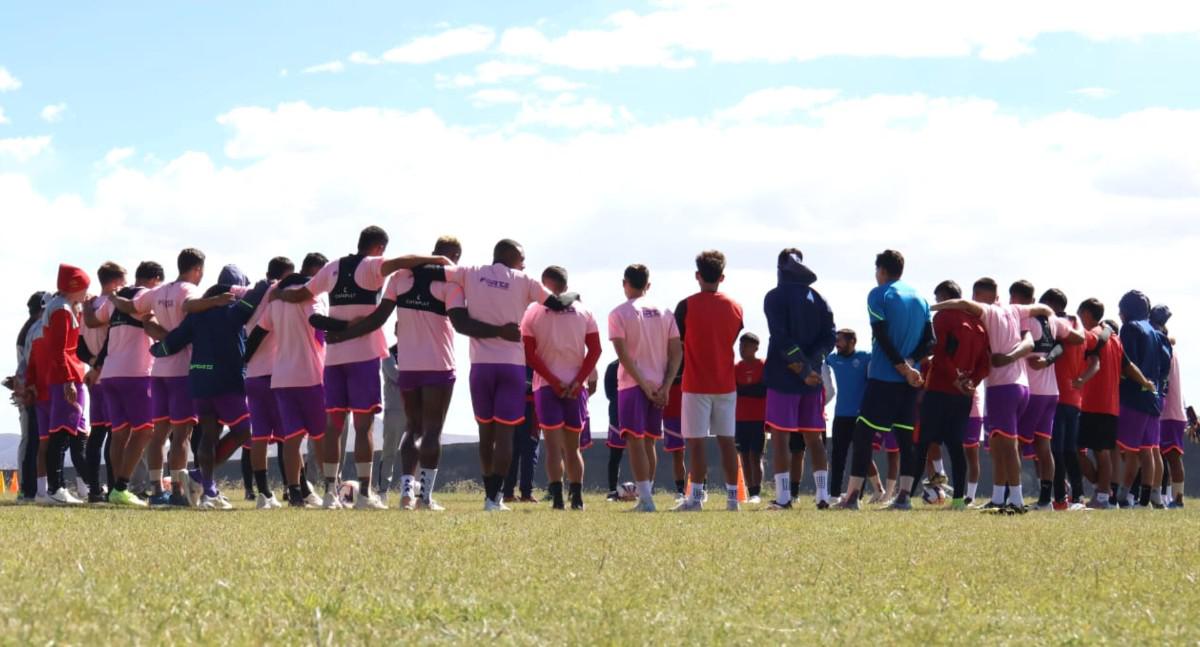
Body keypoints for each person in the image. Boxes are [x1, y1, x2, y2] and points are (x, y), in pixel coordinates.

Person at [279, 226, 451, 509]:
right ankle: (363, 495)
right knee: (364, 427)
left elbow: (302, 295)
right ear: (379, 247)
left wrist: (281, 295)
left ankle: (330, 494)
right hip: (364, 355)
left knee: (333, 426)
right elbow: (404, 262)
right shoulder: (373, 265)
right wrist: (439, 260)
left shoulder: (332, 267)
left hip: (333, 358)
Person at [326, 236, 464, 510]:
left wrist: (342, 335)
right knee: (432, 431)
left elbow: (379, 318)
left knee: (412, 429)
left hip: (409, 365)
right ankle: (424, 497)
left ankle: (405, 495)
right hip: (439, 364)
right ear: (454, 256)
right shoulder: (452, 281)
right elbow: (461, 323)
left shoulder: (401, 277)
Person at [442, 239, 577, 511]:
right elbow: (558, 303)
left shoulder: (469, 272)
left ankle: (489, 495)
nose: (525, 264)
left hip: (481, 366)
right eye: (522, 258)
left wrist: (493, 331)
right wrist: (573, 296)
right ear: (511, 256)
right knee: (505, 436)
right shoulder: (524, 280)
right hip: (512, 366)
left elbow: (459, 318)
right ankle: (495, 500)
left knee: (485, 433)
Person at [111, 248, 235, 505]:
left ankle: (157, 491)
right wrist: (215, 301)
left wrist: (112, 297)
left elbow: (131, 306)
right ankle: (178, 491)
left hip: (158, 371)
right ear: (197, 269)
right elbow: (191, 306)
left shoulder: (158, 291)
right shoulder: (190, 291)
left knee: (159, 434)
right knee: (182, 435)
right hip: (182, 370)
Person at [932, 278, 1054, 513]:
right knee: (997, 445)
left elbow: (959, 303)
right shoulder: (1016, 310)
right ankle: (999, 498)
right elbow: (1042, 310)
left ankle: (1016, 500)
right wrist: (1050, 315)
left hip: (1003, 387)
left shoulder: (987, 311)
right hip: (1020, 387)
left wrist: (933, 307)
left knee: (1007, 446)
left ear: (978, 295)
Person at [150, 268, 269, 509]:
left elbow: (174, 341)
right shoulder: (233, 310)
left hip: (199, 380)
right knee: (245, 432)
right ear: (236, 289)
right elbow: (256, 297)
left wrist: (155, 351)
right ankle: (201, 479)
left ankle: (207, 488)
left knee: (209, 434)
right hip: (227, 381)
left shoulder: (198, 314)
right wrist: (268, 282)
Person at [839, 250, 931, 510]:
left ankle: (852, 497)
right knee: (905, 438)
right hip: (909, 383)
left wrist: (901, 367)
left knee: (863, 434)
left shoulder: (878, 294)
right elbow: (930, 342)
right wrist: (911, 365)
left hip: (883, 379)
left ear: (881, 270)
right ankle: (903, 497)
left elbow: (881, 335)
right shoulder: (921, 298)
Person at [249, 270, 333, 508]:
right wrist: (343, 328)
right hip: (310, 376)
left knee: (292, 439)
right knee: (320, 437)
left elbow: (258, 332)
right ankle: (330, 490)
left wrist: (245, 357)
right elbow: (318, 322)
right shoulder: (311, 297)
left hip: (282, 378)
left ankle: (295, 492)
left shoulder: (275, 302)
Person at [521, 266, 602, 510]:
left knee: (553, 447)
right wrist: (578, 380)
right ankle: (577, 498)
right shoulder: (584, 310)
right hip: (576, 387)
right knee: (573, 447)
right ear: (566, 285)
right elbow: (595, 350)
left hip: (546, 386)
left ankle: (557, 499)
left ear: (544, 285)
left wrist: (554, 381)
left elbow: (528, 353)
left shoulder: (533, 312)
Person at [85, 262, 165, 506]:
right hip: (136, 373)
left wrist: (87, 305)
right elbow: (149, 322)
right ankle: (121, 486)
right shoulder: (146, 296)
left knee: (120, 433)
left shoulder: (112, 299)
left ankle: (117, 490)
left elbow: (90, 322)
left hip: (109, 374)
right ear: (154, 280)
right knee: (145, 430)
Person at [762, 249, 836, 510]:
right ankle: (823, 496)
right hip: (813, 381)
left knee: (781, 438)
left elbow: (780, 337)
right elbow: (830, 337)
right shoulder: (819, 299)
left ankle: (783, 498)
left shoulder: (774, 297)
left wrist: (803, 369)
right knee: (814, 438)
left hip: (784, 378)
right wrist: (813, 366)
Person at [673, 250, 745, 512]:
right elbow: (733, 335)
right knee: (727, 441)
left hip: (695, 383)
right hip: (726, 382)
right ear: (722, 277)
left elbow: (679, 341)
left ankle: (696, 498)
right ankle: (733, 498)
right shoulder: (735, 307)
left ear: (697, 275)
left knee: (696, 442)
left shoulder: (686, 305)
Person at [608, 264, 682, 513]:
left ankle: (647, 500)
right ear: (648, 285)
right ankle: (646, 495)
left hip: (632, 385)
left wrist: (643, 384)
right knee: (649, 442)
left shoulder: (618, 313)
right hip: (659, 384)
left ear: (624, 282)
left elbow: (623, 356)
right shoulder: (665, 311)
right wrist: (666, 385)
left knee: (636, 442)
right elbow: (676, 352)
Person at [915, 281, 989, 510]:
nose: (938, 303)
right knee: (956, 446)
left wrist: (954, 378)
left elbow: (938, 353)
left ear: (945, 297)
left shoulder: (943, 318)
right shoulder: (979, 324)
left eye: (938, 298)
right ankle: (958, 500)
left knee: (923, 444)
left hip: (939, 389)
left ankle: (904, 496)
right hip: (963, 395)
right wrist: (971, 382)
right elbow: (985, 363)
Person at [1014, 281, 1084, 510]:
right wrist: (1050, 357)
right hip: (1052, 393)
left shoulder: (1023, 319)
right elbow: (1076, 338)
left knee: (1015, 445)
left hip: (1032, 392)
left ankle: (1011, 496)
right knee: (1044, 446)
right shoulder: (1054, 321)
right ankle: (1047, 499)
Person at [40, 265, 93, 505]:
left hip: (68, 375)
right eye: (84, 288)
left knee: (68, 432)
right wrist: (68, 380)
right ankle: (56, 487)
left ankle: (62, 486)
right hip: (66, 376)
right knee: (60, 434)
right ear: (75, 288)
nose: (86, 292)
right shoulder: (61, 311)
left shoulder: (63, 307)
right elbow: (59, 350)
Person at [1115, 291, 1172, 508]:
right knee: (1149, 448)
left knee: (1131, 452)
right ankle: (1148, 497)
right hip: (1154, 397)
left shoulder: (1130, 328)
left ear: (1126, 310)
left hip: (1134, 396)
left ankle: (1122, 496)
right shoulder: (1156, 332)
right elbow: (1165, 364)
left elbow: (1127, 362)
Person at [1034, 289, 1088, 510]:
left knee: (1055, 449)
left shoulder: (1058, 323)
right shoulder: (1078, 324)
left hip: (1057, 393)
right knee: (1069, 450)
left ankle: (1058, 498)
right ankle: (1078, 496)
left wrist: (1046, 361)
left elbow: (1059, 348)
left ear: (1050, 304)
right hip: (1076, 397)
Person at [825, 328, 880, 502]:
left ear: (852, 342)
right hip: (840, 415)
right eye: (836, 340)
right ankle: (834, 495)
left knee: (862, 455)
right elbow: (820, 362)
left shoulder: (865, 357)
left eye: (840, 340)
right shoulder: (832, 358)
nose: (837, 344)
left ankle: (858, 495)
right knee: (838, 456)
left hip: (861, 416)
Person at [9, 291, 47, 501]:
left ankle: (30, 487)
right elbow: (26, 364)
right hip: (30, 390)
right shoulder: (33, 329)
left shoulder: (28, 329)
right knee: (31, 440)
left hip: (28, 388)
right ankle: (27, 488)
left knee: (32, 439)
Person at [1151, 305, 1187, 508]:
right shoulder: (1171, 351)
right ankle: (1166, 496)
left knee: (1172, 456)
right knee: (1164, 456)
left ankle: (1178, 499)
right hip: (1170, 412)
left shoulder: (1167, 353)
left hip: (1170, 413)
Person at [734, 333, 767, 504]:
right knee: (744, 456)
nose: (742, 350)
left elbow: (763, 390)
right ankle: (749, 490)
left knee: (756, 456)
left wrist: (745, 389)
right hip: (740, 419)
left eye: (746, 346)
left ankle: (757, 492)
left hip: (758, 419)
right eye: (740, 346)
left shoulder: (763, 365)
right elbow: (734, 390)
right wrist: (750, 389)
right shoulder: (736, 368)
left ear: (755, 348)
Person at [602, 359, 626, 501]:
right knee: (615, 456)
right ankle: (612, 489)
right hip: (616, 417)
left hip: (636, 414)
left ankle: (645, 488)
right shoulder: (612, 366)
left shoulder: (639, 363)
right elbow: (609, 394)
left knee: (644, 452)